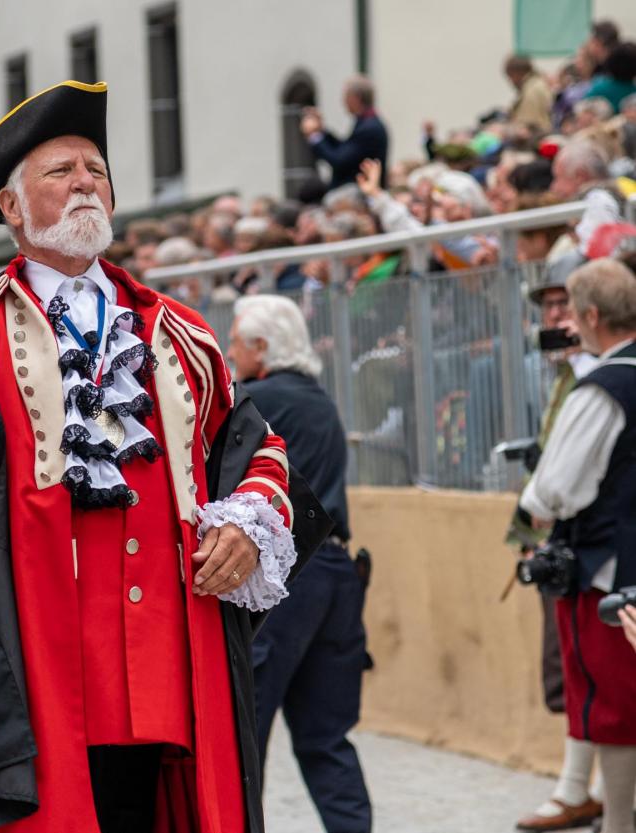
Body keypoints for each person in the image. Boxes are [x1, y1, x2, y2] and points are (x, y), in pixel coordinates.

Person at [0, 80, 332, 833]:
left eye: (96, 169)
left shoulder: (181, 333)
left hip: (169, 665)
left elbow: (254, 446)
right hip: (31, 665)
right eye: (61, 171)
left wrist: (247, 522)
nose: (86, 181)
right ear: (11, 208)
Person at [227, 295, 372, 833]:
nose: (230, 351)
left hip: (288, 581)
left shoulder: (256, 399)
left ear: (261, 348)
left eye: (237, 342)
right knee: (326, 738)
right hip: (336, 578)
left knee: (246, 733)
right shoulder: (318, 400)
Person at [520, 258, 636, 833]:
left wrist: (533, 505)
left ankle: (617, 822)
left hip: (606, 570)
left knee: (609, 704)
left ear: (590, 315)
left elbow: (554, 490)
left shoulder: (602, 388)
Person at [510, 256, 604, 833]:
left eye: (565, 306)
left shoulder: (598, 373)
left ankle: (588, 790)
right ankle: (585, 786)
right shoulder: (567, 374)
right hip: (561, 542)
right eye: (547, 307)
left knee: (592, 673)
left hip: (595, 545)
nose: (554, 318)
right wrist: (527, 538)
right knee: (569, 675)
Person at [301, 75, 389, 189]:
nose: (343, 101)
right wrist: (321, 131)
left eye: (345, 96)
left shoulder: (369, 128)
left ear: (355, 98)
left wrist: (315, 136)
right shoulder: (366, 123)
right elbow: (345, 148)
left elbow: (340, 161)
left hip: (358, 191)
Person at [506, 55, 555, 133]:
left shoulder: (531, 91)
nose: (510, 81)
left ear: (516, 73)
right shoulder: (536, 83)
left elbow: (528, 126)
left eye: (510, 76)